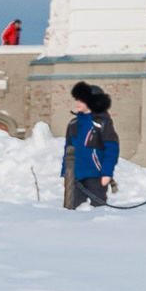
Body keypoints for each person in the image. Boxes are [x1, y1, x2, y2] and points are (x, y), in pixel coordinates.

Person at [63, 82, 118, 210]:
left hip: (96, 176)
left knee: (98, 210)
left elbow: (111, 149)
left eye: (83, 100)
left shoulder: (102, 124)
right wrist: (65, 173)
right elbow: (68, 151)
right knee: (70, 211)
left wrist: (107, 173)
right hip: (75, 176)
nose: (78, 103)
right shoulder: (73, 124)